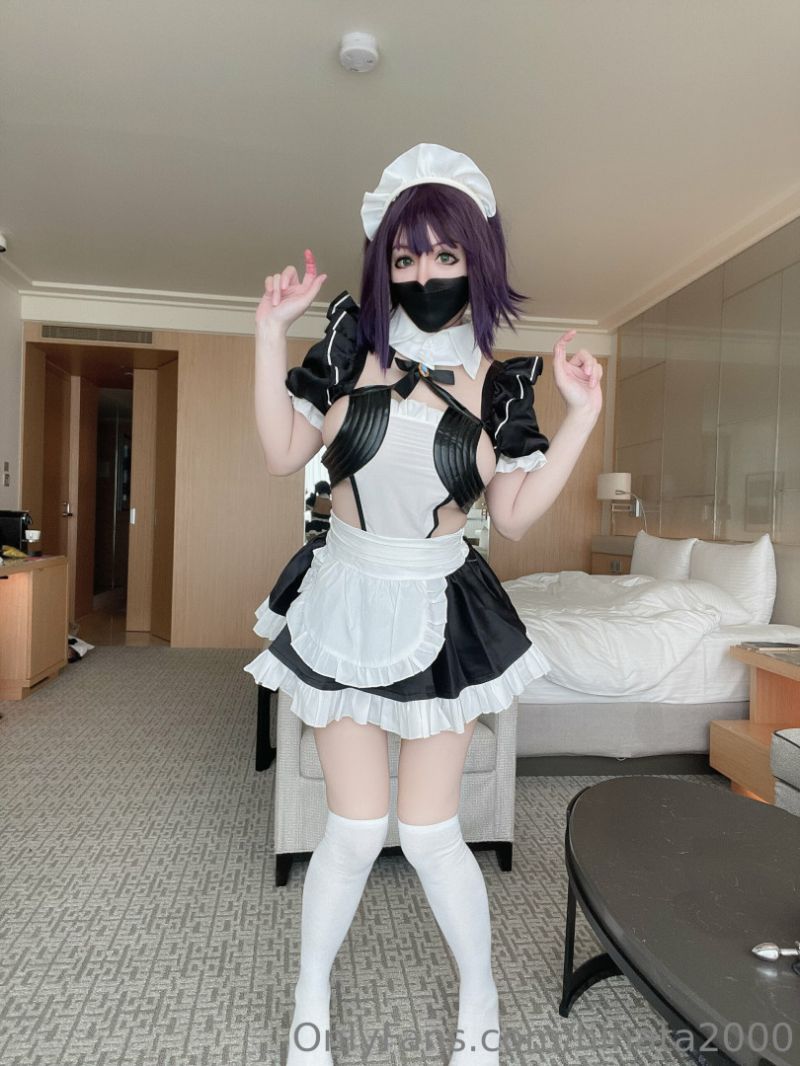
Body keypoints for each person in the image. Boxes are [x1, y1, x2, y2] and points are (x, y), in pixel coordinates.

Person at [244, 144, 603, 1065]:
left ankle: (479, 999)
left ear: (477, 258)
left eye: (445, 255)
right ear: (384, 263)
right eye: (404, 258)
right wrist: (268, 331)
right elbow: (284, 454)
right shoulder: (346, 345)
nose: (424, 275)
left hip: (445, 603)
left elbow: (512, 516)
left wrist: (583, 417)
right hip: (345, 593)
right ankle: (311, 996)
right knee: (357, 826)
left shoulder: (501, 381)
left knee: (434, 829)